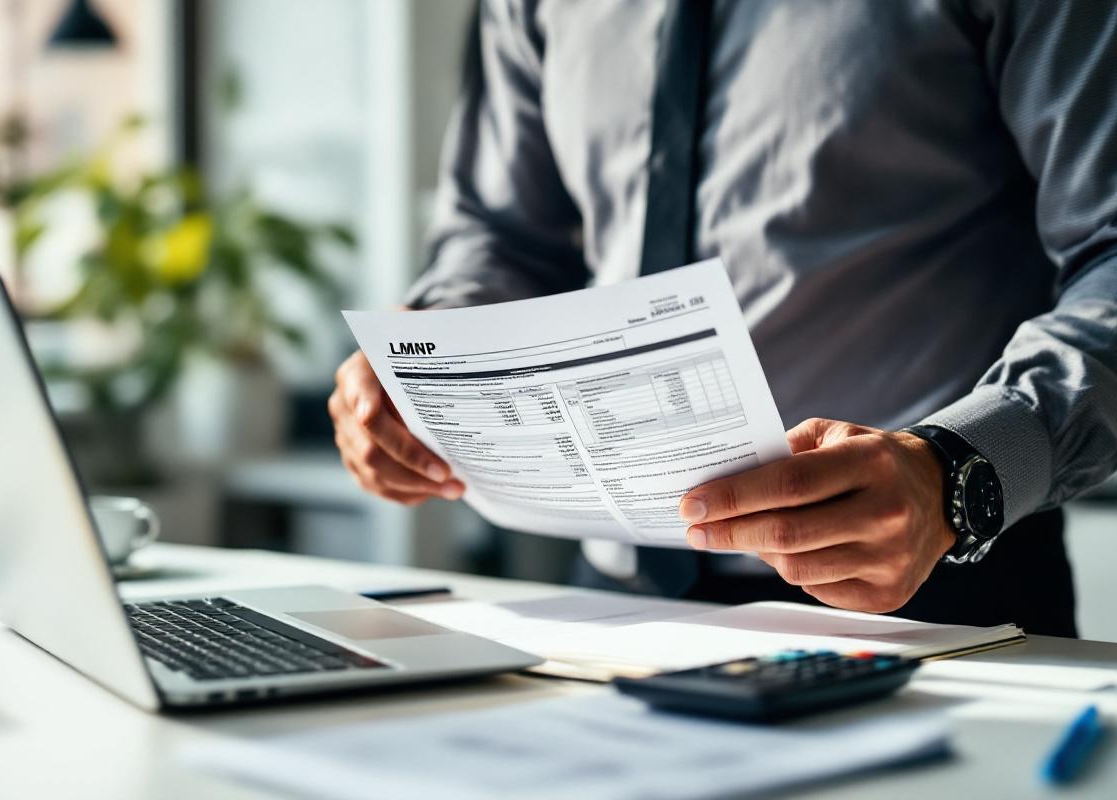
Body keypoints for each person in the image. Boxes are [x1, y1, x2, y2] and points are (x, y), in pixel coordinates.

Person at [329, 0, 1117, 636]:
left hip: (939, 600)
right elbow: (502, 238)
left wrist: (956, 470)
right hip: (608, 600)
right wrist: (421, 357)